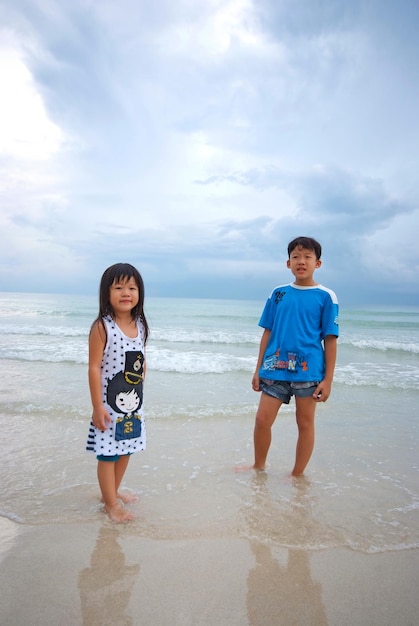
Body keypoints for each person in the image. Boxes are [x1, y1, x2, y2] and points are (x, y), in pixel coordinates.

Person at [250, 236, 338, 476]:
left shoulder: (326, 296)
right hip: (274, 368)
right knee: (262, 421)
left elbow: (330, 339)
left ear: (317, 263)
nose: (301, 261)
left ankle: (297, 475)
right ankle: (258, 467)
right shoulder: (278, 294)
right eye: (296, 257)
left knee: (305, 424)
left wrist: (328, 380)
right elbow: (267, 333)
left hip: (309, 372)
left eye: (307, 257)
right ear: (288, 263)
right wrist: (257, 370)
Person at [86, 263, 149, 522]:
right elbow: (93, 367)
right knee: (107, 453)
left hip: (133, 405)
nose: (126, 293)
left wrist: (145, 370)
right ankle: (110, 505)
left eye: (132, 287)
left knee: (126, 449)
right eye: (119, 287)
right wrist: (97, 407)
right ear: (107, 293)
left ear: (139, 293)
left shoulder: (141, 325)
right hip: (108, 407)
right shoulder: (103, 327)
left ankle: (111, 493)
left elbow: (140, 357)